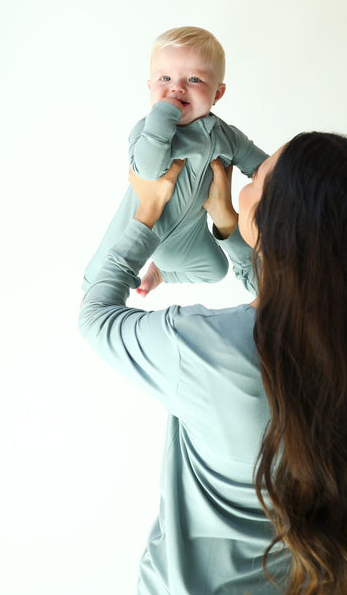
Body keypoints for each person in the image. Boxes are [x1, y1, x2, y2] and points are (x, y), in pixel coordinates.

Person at [79, 131, 347, 594]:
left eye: (257, 174)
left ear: (275, 218)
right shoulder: (329, 346)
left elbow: (96, 318)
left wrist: (147, 211)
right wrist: (227, 225)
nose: (247, 176)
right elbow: (282, 298)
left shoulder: (201, 345)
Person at [82, 26, 267, 295]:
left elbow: (264, 168)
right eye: (165, 78)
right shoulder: (147, 130)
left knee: (216, 269)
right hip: (137, 227)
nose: (176, 87)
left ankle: (162, 272)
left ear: (217, 93)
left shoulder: (226, 136)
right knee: (106, 261)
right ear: (149, 88)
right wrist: (162, 114)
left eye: (194, 79)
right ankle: (90, 290)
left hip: (185, 240)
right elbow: (149, 169)